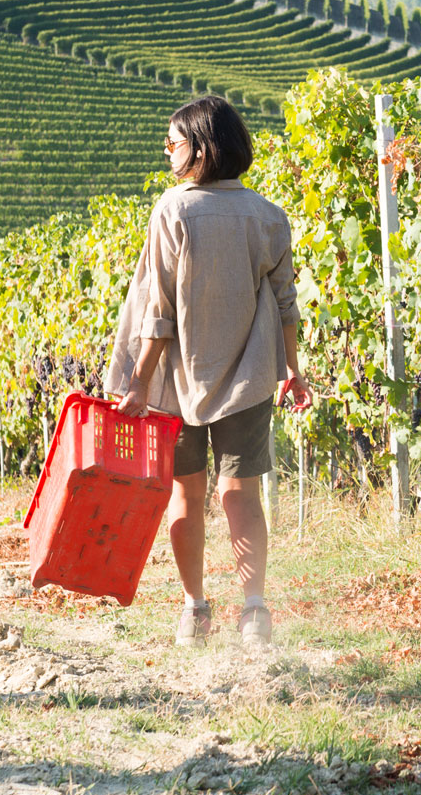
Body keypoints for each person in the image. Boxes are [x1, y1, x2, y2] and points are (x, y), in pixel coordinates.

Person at [108, 95, 312, 647]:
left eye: (173, 142)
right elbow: (286, 303)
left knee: (186, 494)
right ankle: (254, 613)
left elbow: (159, 309)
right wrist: (294, 371)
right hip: (248, 374)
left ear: (201, 149)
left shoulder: (173, 210)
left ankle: (195, 610)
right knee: (241, 493)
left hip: (176, 381)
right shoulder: (268, 215)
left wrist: (137, 382)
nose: (167, 151)